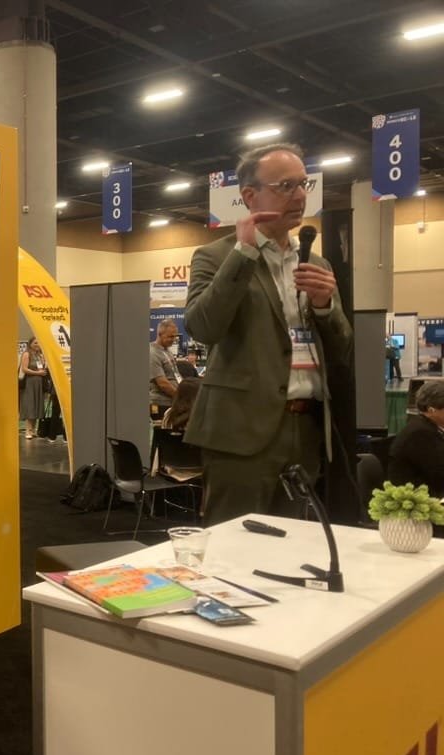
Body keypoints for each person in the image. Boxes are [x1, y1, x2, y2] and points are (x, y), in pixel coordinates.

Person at [184, 142, 353, 525]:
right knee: (233, 545)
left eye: (304, 184)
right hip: (240, 433)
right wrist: (243, 254)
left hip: (306, 429)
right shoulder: (216, 256)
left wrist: (325, 306)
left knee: (292, 544)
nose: (299, 195)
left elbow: (342, 348)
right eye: (285, 186)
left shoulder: (318, 263)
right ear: (250, 196)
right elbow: (202, 327)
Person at [388, 379, 444, 497]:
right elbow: (439, 473)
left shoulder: (426, 427)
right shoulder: (420, 433)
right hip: (418, 499)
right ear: (431, 410)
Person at [149, 320, 181, 421]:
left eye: (175, 336)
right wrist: (181, 396)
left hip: (172, 401)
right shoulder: (152, 353)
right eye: (170, 336)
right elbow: (162, 383)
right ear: (160, 334)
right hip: (160, 404)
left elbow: (175, 374)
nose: (174, 339)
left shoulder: (167, 351)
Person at [19, 337, 49, 439]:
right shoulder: (26, 354)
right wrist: (37, 373)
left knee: (37, 405)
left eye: (39, 343)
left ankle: (33, 429)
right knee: (30, 405)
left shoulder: (39, 355)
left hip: (39, 384)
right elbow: (24, 369)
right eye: (35, 343)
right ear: (30, 343)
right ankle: (27, 430)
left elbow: (42, 367)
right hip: (29, 383)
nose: (37, 345)